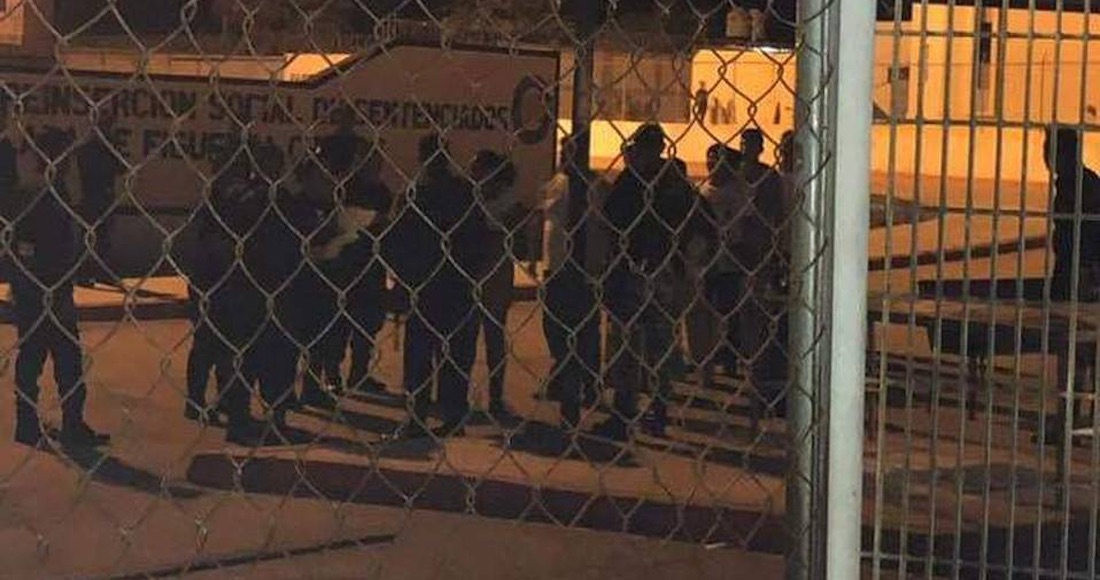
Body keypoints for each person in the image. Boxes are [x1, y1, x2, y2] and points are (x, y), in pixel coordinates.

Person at [383, 133, 488, 438]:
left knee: (420, 354)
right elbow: (479, 237)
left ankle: (418, 416)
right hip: (456, 283)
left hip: (426, 283)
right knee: (455, 355)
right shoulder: (463, 193)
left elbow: (396, 239)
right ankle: (453, 415)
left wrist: (402, 277)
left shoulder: (416, 194)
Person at [9, 127, 110, 448]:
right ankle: (38, 424)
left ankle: (57, 424)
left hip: (47, 289)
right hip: (44, 292)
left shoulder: (55, 192)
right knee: (50, 358)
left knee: (51, 360)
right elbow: (25, 248)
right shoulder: (39, 196)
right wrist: (44, 289)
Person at [600, 123, 700, 441]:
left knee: (635, 344)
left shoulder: (638, 180)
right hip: (659, 268)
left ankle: (631, 410)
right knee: (655, 344)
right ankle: (652, 409)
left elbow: (611, 218)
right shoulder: (674, 182)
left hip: (641, 268)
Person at [542, 136, 609, 430]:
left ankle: (586, 383)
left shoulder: (596, 186)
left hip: (585, 268)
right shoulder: (556, 182)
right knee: (554, 324)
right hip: (555, 265)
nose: (563, 156)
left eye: (569, 151)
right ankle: (564, 373)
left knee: (585, 329)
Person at [181, 147, 250, 424]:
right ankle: (195, 400)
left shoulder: (238, 201)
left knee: (228, 344)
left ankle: (225, 397)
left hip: (228, 281)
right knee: (206, 343)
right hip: (209, 281)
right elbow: (205, 244)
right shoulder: (214, 203)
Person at [469, 150, 524, 422]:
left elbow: (509, 234)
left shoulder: (507, 201)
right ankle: (461, 393)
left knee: (493, 335)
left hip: (494, 271)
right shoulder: (472, 196)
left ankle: (495, 396)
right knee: (468, 335)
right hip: (474, 269)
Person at [689, 145, 746, 387]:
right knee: (703, 313)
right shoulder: (701, 189)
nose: (712, 163)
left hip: (729, 261)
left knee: (727, 312)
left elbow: (743, 225)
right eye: (709, 158)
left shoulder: (737, 193)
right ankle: (705, 365)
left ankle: (728, 359)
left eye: (718, 159)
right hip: (704, 260)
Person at [1046, 126, 1100, 300]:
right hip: (1068, 266)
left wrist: (1087, 270)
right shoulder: (1069, 183)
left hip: (1079, 271)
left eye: (1050, 150)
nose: (1046, 157)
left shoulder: (1083, 185)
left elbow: (1091, 230)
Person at [75, 110, 125, 286]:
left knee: (104, 239)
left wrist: (113, 148)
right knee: (88, 239)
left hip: (105, 197)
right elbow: (87, 171)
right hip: (91, 196)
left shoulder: (109, 149)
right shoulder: (87, 149)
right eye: (104, 126)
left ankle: (103, 272)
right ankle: (82, 274)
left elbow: (122, 168)